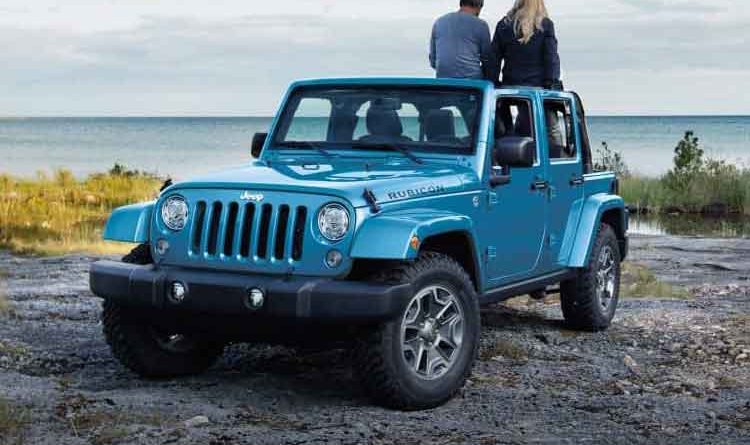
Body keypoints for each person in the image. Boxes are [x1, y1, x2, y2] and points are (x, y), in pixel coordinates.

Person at [492, 0, 561, 89]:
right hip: (536, 90)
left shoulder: (504, 24)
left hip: (509, 88)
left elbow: (493, 59)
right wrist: (552, 82)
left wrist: (494, 82)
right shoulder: (546, 25)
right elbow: (551, 59)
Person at [429, 0, 497, 81]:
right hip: (472, 81)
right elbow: (487, 60)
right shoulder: (481, 25)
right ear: (479, 6)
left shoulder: (439, 22)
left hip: (443, 79)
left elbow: (433, 60)